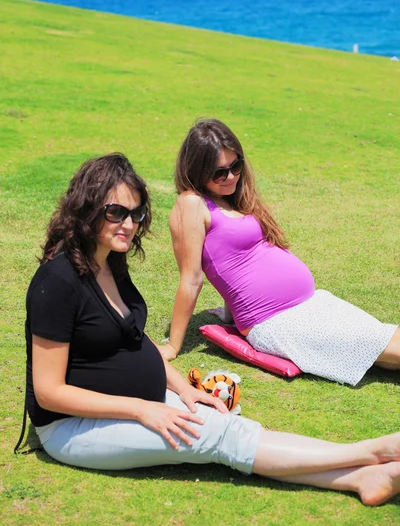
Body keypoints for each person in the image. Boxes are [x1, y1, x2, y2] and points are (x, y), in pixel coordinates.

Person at [21, 152, 400, 506]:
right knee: (219, 437)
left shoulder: (109, 264)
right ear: (86, 208)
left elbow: (137, 340)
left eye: (136, 214)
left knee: (224, 426)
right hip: (73, 429)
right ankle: (368, 452)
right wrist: (141, 410)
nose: (129, 224)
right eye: (116, 212)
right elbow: (50, 393)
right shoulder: (57, 281)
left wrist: (185, 390)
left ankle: (360, 480)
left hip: (132, 404)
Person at [160, 118, 399, 386]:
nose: (231, 177)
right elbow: (191, 278)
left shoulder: (231, 200)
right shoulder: (191, 204)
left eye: (235, 166)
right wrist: (172, 346)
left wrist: (228, 313)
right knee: (381, 350)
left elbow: (233, 260)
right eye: (219, 173)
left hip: (311, 304)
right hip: (277, 322)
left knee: (387, 339)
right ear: (196, 171)